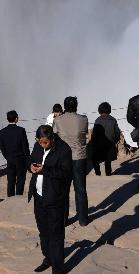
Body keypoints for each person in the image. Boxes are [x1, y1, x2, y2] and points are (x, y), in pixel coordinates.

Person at [28, 125, 73, 274]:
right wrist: (31, 167)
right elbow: (31, 159)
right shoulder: (37, 145)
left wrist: (45, 170)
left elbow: (66, 172)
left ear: (52, 138)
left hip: (55, 199)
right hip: (39, 197)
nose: (42, 145)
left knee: (56, 235)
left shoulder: (64, 149)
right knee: (43, 232)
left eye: (45, 142)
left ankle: (58, 269)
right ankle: (48, 259)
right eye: (40, 142)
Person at [52, 96, 89, 226]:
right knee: (80, 188)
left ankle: (63, 219)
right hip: (79, 157)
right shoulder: (83, 119)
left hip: (64, 159)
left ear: (65, 106)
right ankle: (83, 219)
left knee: (63, 190)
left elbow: (54, 137)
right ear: (76, 105)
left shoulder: (57, 120)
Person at [0, 110, 30, 197]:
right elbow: (25, 146)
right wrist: (28, 158)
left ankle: (10, 196)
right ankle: (19, 195)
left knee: (11, 179)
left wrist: (7, 157)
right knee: (20, 178)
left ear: (7, 119)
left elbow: (1, 146)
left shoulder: (3, 131)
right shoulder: (21, 130)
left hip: (10, 159)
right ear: (16, 119)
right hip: (21, 159)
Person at [91, 102, 122, 176]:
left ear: (99, 110)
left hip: (99, 145)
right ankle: (108, 173)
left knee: (95, 158)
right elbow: (117, 132)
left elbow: (94, 133)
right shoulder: (113, 120)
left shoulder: (97, 120)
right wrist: (115, 140)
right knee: (108, 160)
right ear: (109, 110)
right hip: (110, 144)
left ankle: (98, 172)